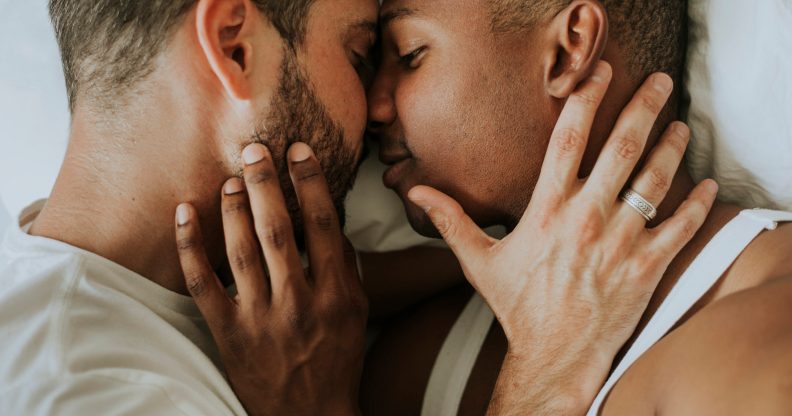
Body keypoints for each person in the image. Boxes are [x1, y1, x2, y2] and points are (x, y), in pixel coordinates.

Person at [0, 1, 717, 416]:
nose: (375, 111)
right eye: (361, 50)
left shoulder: (131, 307)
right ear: (233, 46)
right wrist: (545, 371)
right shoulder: (92, 393)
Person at [362, 0, 792, 415]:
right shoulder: (414, 363)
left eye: (409, 54)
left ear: (569, 49)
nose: (373, 109)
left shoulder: (769, 334)